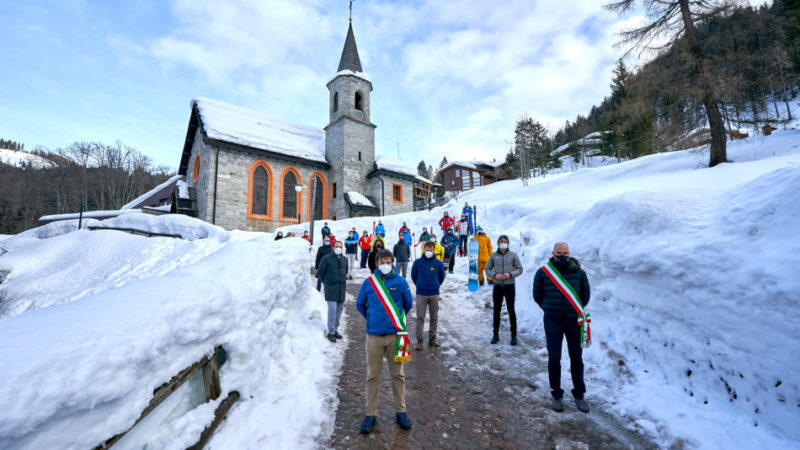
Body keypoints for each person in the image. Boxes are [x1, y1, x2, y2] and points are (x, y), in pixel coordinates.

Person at [355, 249, 413, 433]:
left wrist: (394, 321)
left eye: (388, 261)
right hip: (374, 337)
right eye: (382, 262)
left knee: (398, 375)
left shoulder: (401, 282)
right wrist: (372, 318)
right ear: (377, 263)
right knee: (373, 375)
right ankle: (370, 413)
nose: (385, 264)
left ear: (393, 262)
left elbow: (408, 304)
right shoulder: (369, 282)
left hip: (396, 336)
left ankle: (401, 411)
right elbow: (359, 304)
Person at [533, 242, 591, 414]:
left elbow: (585, 296)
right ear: (553, 253)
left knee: (577, 358)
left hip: (574, 321)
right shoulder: (544, 273)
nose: (562, 256)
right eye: (559, 252)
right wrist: (549, 308)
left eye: (565, 253)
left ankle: (579, 394)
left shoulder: (580, 273)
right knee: (554, 357)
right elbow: (537, 295)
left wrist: (573, 309)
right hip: (553, 321)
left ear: (569, 253)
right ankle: (556, 394)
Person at [485, 235, 523, 346]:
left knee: (511, 310)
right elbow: (487, 269)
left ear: (508, 243)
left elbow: (520, 269)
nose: (503, 243)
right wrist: (495, 275)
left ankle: (513, 335)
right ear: (498, 243)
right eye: (501, 241)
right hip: (497, 287)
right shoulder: (493, 256)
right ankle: (495, 334)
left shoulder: (513, 255)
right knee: (496, 311)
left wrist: (510, 274)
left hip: (509, 286)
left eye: (505, 241)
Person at [411, 241, 446, 350]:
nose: (429, 252)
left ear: (434, 250)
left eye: (431, 250)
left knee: (434, 317)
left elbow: (441, 277)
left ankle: (432, 339)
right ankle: (420, 341)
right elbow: (413, 275)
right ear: (424, 250)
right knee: (420, 317)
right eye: (427, 250)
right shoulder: (418, 263)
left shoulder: (438, 263)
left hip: (434, 294)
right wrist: (420, 285)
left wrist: (435, 285)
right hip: (421, 294)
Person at [317, 241, 348, 342]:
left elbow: (345, 272)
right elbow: (320, 273)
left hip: (341, 288)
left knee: (339, 310)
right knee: (332, 309)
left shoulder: (345, 259)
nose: (338, 248)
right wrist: (326, 283)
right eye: (336, 246)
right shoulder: (326, 259)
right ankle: (331, 332)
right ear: (333, 247)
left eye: (340, 247)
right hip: (331, 288)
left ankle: (335, 329)